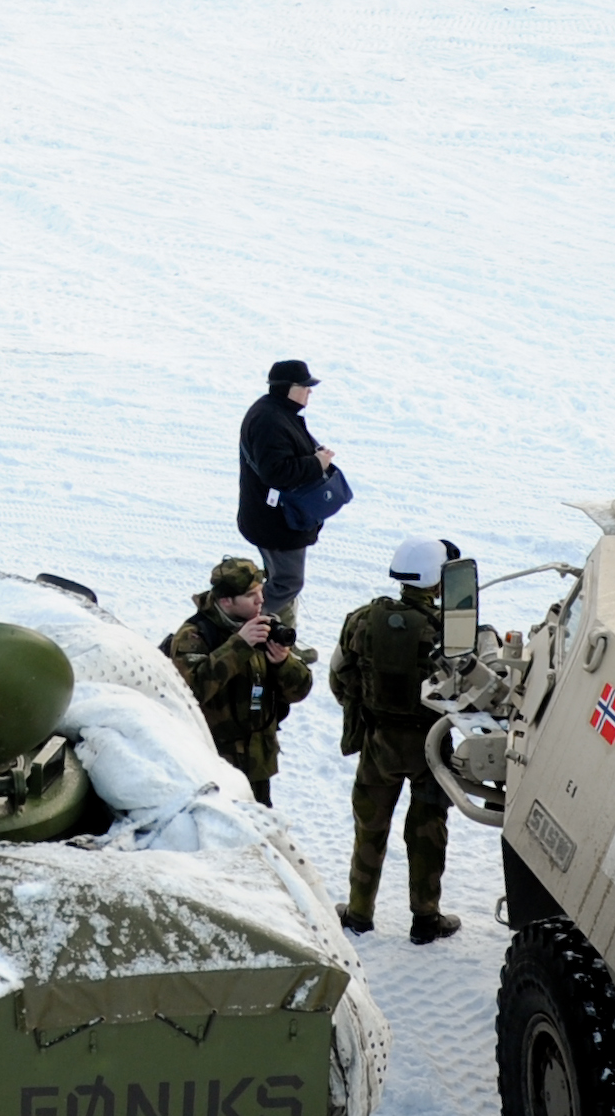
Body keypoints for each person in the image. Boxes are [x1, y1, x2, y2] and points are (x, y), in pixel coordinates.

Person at [330, 537, 458, 941]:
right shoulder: (447, 632)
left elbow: (339, 675)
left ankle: (359, 913)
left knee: (369, 828)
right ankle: (425, 919)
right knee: (427, 833)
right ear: (437, 582)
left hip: (379, 742)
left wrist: (367, 710)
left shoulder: (363, 619)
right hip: (430, 747)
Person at [167, 557, 312, 805]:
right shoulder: (195, 635)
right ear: (226, 601)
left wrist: (282, 663)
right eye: (250, 595)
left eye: (261, 592)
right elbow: (191, 692)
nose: (261, 600)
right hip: (214, 764)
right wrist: (239, 646)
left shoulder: (263, 627)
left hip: (257, 761)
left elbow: (300, 690)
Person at [234, 359, 334, 640]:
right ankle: (240, 628)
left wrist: (314, 453)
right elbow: (277, 472)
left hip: (270, 518)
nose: (309, 392)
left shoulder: (275, 411)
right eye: (306, 386)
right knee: (287, 582)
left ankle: (279, 638)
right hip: (278, 523)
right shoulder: (270, 420)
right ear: (289, 388)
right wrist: (316, 463)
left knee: (278, 580)